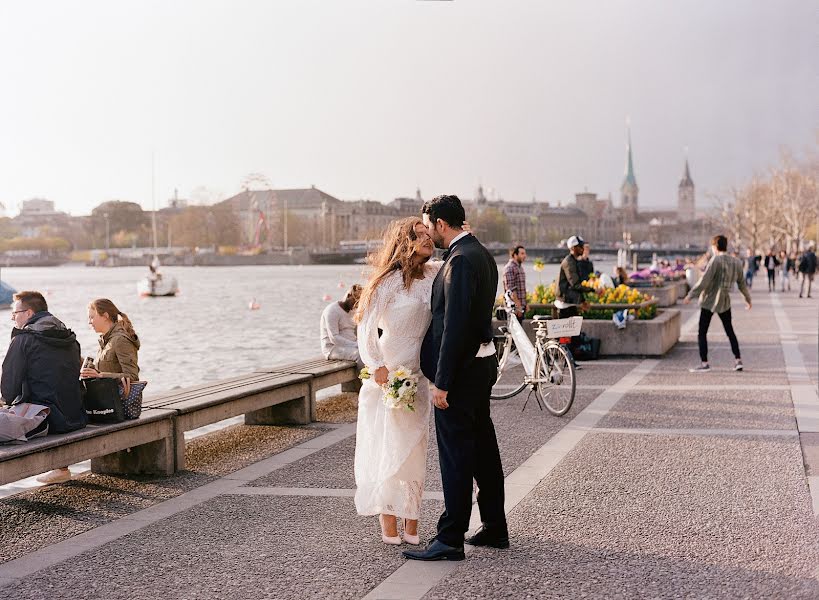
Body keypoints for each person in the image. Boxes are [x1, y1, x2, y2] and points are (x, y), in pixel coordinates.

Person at [404, 194, 507, 562]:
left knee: (456, 456)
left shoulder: (460, 261)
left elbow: (455, 327)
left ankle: (450, 538)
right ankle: (495, 526)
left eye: (429, 225)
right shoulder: (481, 253)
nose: (429, 233)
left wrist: (442, 381)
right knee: (482, 449)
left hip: (460, 374)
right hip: (479, 368)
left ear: (441, 224)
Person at [354, 217, 438, 546]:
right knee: (387, 446)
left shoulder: (433, 276)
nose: (427, 238)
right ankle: (388, 521)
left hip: (418, 375)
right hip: (390, 375)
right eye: (419, 235)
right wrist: (376, 366)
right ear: (405, 242)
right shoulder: (387, 282)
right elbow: (366, 327)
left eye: (428, 233)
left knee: (416, 448)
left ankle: (413, 521)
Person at [1, 291, 87, 483]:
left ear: (29, 313)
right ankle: (62, 468)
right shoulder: (70, 338)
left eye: (15, 313)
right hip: (76, 416)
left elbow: (8, 389)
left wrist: (6, 402)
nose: (13, 317)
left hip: (48, 420)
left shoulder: (23, 339)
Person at [684, 235, 751, 372]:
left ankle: (704, 363)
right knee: (730, 331)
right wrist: (748, 300)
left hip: (709, 301)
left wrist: (691, 295)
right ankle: (738, 360)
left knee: (702, 332)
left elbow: (705, 281)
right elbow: (742, 285)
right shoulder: (736, 262)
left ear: (714, 247)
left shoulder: (715, 260)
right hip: (724, 301)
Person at [555, 235, 590, 364]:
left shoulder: (574, 260)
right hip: (564, 303)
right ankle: (565, 360)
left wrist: (582, 300)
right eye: (580, 247)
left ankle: (569, 360)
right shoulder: (569, 262)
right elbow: (575, 284)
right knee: (565, 334)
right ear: (574, 248)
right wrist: (592, 290)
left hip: (570, 302)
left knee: (573, 332)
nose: (583, 249)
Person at [320, 284, 363, 368]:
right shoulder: (332, 310)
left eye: (358, 303)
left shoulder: (352, 311)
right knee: (360, 355)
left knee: (370, 353)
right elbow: (334, 338)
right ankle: (363, 380)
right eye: (355, 302)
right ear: (348, 295)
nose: (356, 306)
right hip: (333, 348)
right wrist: (356, 345)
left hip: (351, 346)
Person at [502, 245, 527, 320]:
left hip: (520, 307)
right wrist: (518, 307)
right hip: (513, 308)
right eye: (522, 253)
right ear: (515, 255)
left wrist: (525, 304)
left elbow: (521, 288)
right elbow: (511, 290)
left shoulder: (519, 267)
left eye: (525, 253)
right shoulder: (509, 268)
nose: (525, 256)